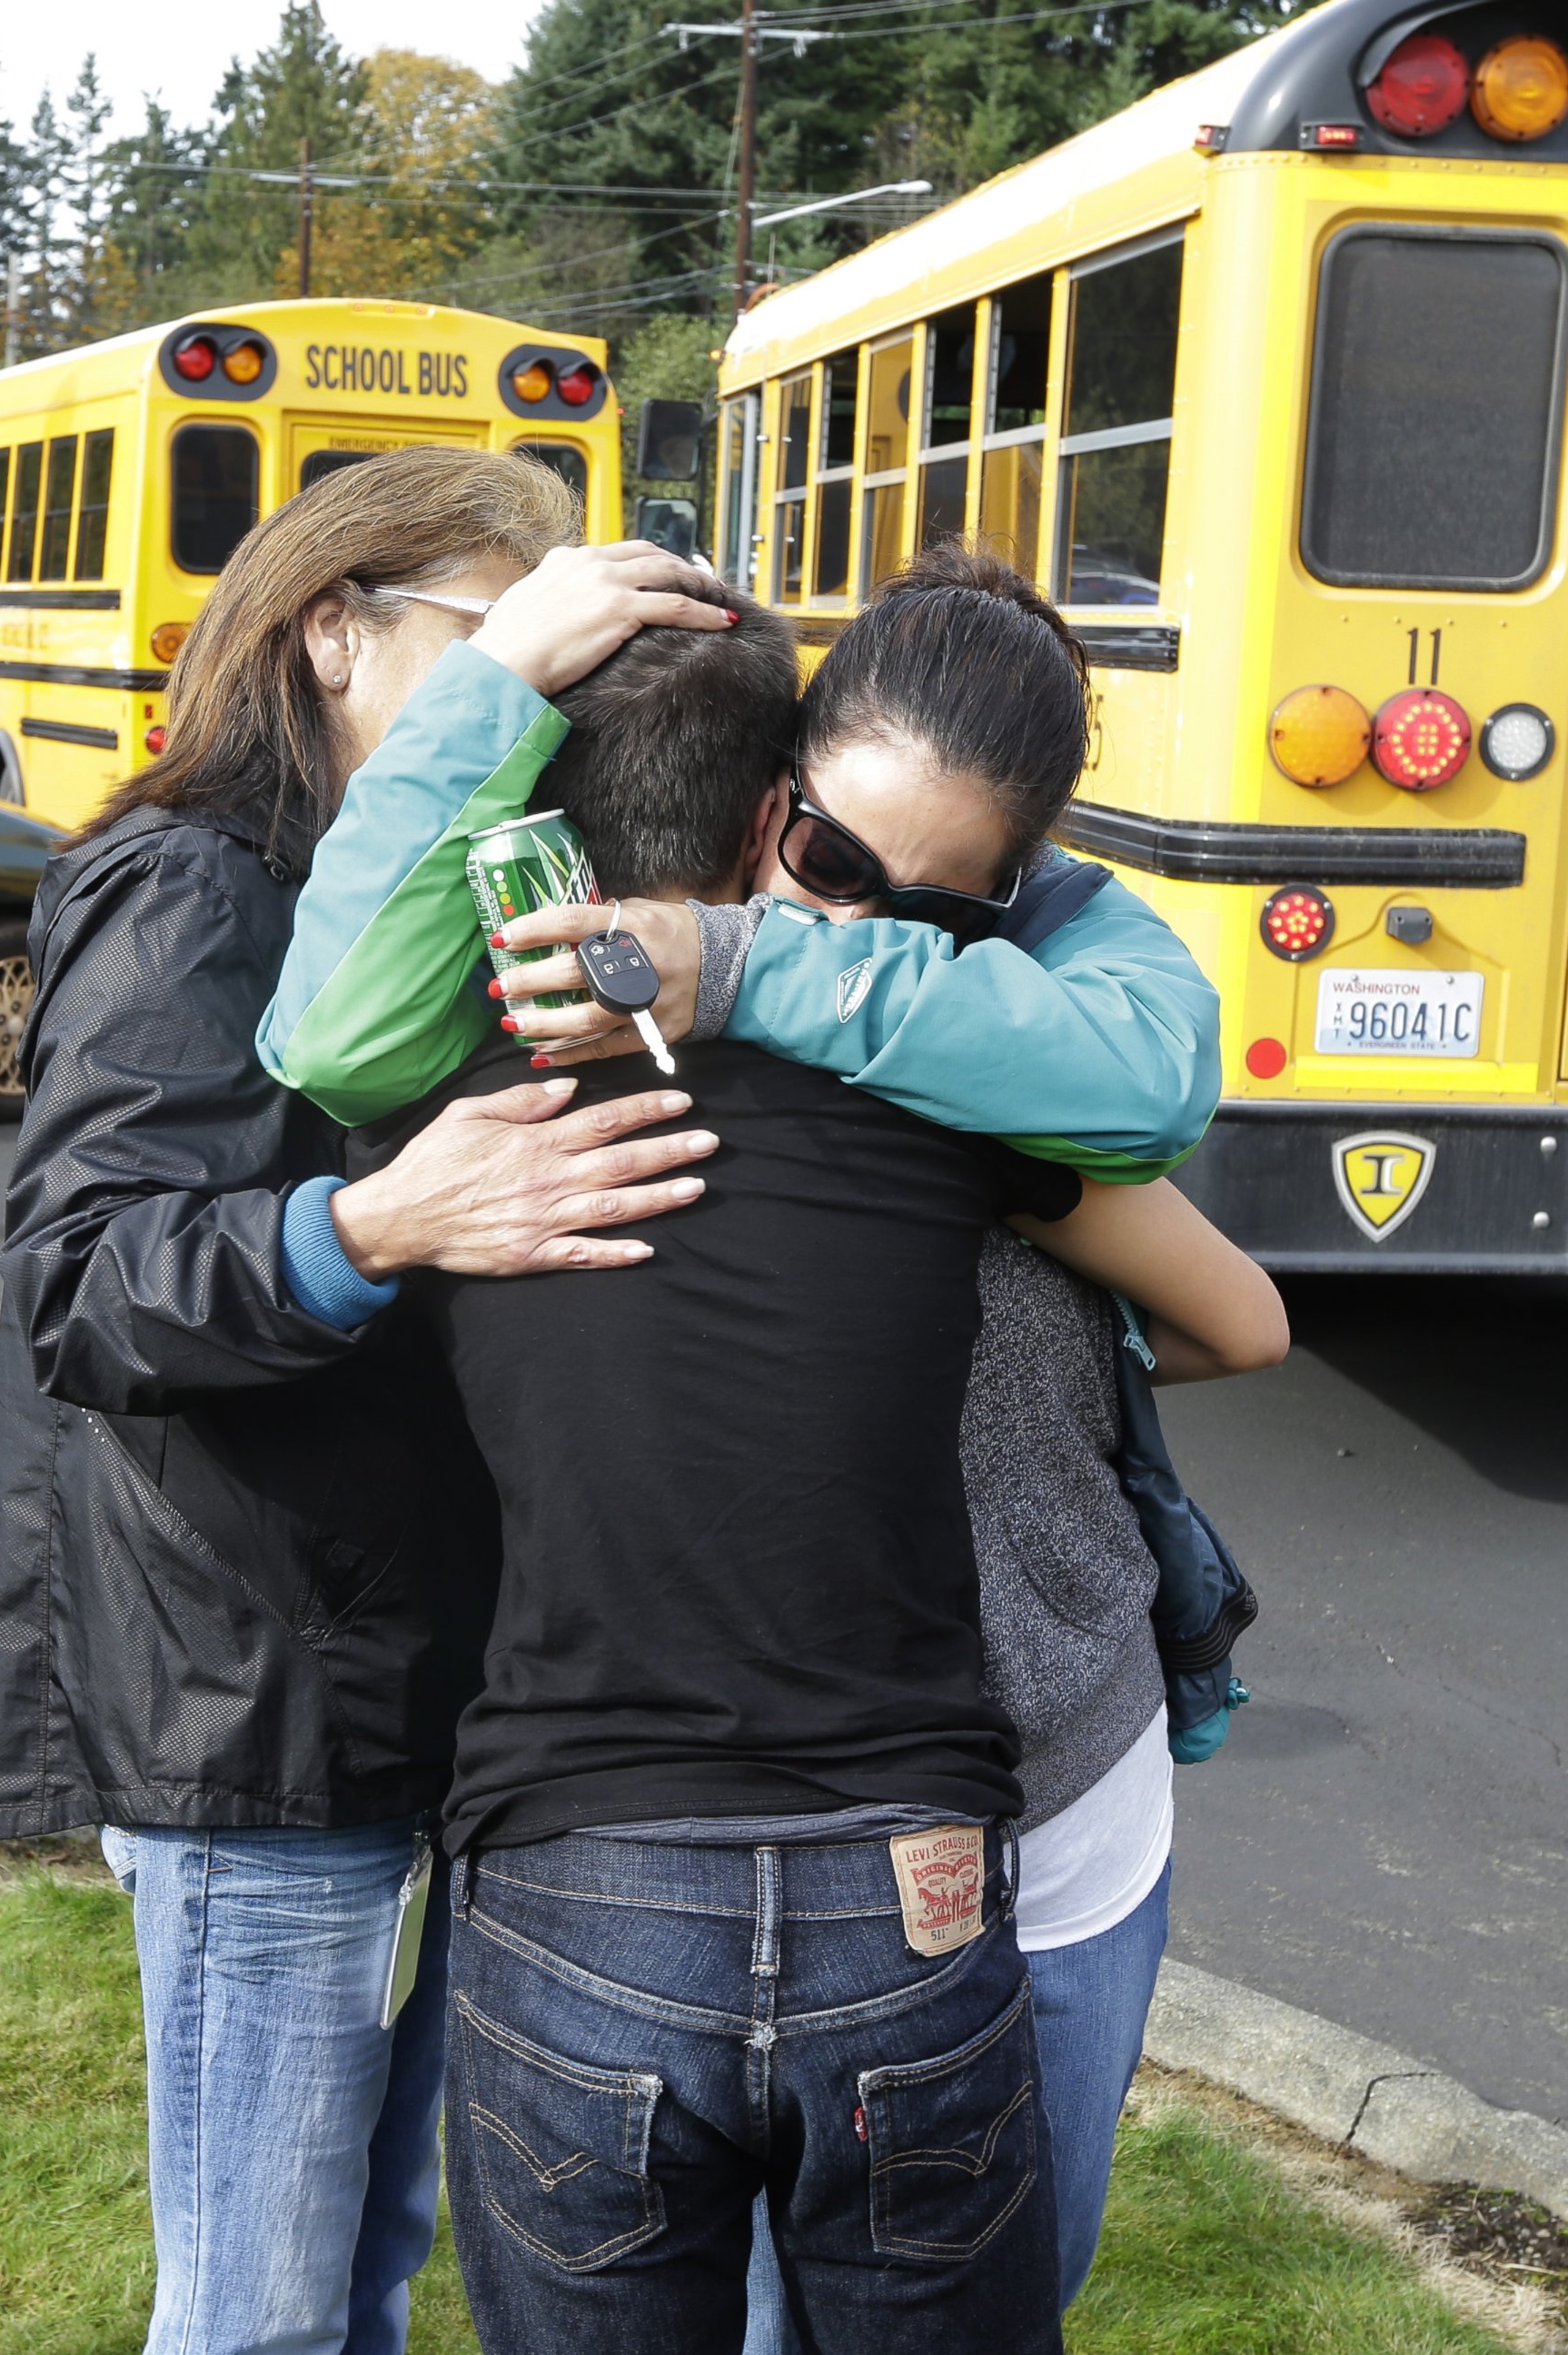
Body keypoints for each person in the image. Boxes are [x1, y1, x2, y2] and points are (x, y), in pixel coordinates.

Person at [0, 449, 733, 2355]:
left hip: (422, 1667)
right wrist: (372, 1222)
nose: (544, 691)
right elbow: (87, 1281)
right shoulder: (196, 883)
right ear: (328, 631)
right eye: (505, 641)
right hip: (258, 1700)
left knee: (369, 2255)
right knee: (263, 2306)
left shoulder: (418, 866)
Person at [495, 546, 1286, 2323]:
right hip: (834, 1827)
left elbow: (1224, 1274)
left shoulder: (982, 1058)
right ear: (764, 795)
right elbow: (1240, 1322)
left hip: (1004, 1793)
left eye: (928, 912)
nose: (855, 929)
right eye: (829, 866)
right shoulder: (710, 1035)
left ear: (1007, 901)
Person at [330, 581, 1068, 2350]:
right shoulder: (958, 1084)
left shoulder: (443, 1106)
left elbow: (328, 995)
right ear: (767, 814)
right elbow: (1231, 1303)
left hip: (583, 1862)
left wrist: (480, 684)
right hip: (903, 1873)